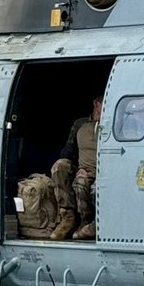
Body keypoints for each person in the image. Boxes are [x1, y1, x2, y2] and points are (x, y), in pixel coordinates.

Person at [50, 95, 101, 241]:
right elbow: (68, 151)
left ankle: (88, 222)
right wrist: (79, 168)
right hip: (84, 170)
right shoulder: (80, 124)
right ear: (96, 104)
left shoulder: (112, 125)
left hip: (103, 173)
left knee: (85, 183)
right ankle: (68, 217)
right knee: (60, 166)